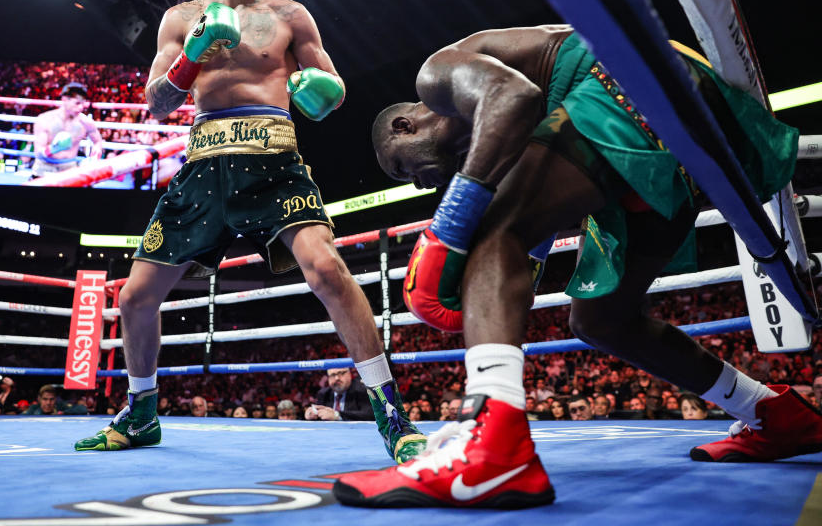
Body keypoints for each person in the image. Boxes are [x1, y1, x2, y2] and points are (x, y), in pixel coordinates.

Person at [333, 25, 820, 509]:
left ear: (405, 126)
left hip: (629, 82)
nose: (417, 185)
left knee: (489, 227)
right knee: (603, 320)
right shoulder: (515, 145)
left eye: (403, 168)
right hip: (674, 132)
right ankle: (771, 413)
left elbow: (514, 95)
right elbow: (527, 234)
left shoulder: (438, 76)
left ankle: (493, 447)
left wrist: (458, 213)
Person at [74, 0, 424, 462]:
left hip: (275, 158)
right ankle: (141, 412)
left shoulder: (291, 15)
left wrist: (324, 92)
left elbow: (331, 89)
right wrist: (191, 58)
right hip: (204, 163)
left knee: (327, 267)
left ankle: (392, 414)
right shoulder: (181, 18)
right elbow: (157, 102)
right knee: (135, 297)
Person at [30, 82, 103, 178]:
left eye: (82, 104)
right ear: (65, 99)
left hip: (69, 170)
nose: (81, 108)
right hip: (44, 169)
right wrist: (53, 149)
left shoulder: (86, 122)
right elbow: (38, 152)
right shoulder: (45, 120)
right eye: (77, 103)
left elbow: (98, 142)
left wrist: (93, 158)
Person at [305, 368, 373, 421]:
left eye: (341, 373)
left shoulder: (361, 390)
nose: (337, 378)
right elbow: (320, 418)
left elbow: (369, 415)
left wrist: (337, 415)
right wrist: (312, 414)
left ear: (349, 374)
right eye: (333, 375)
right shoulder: (324, 393)